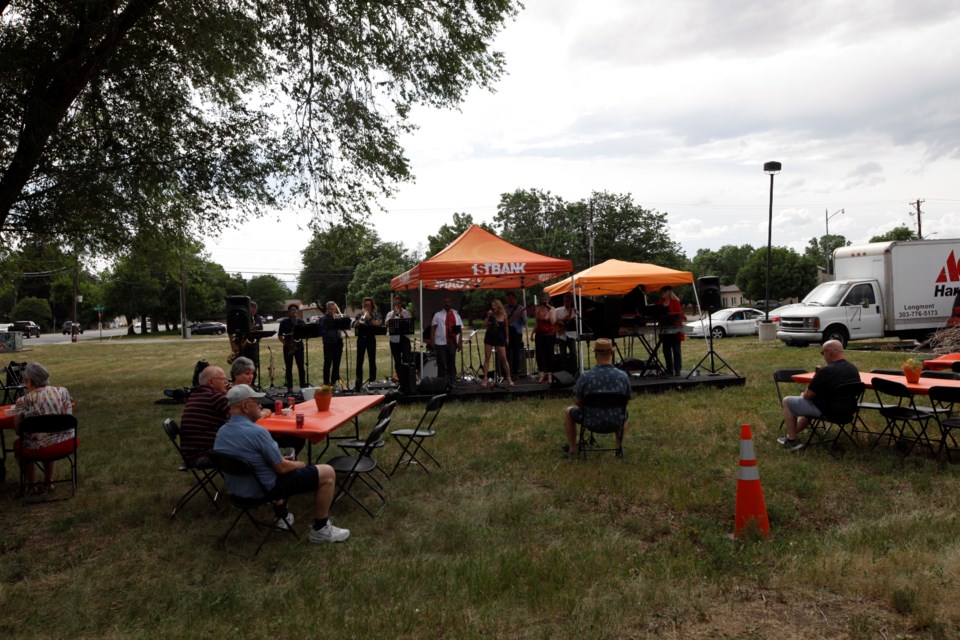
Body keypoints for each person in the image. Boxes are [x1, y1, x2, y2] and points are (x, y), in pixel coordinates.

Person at [213, 385, 349, 543]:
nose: (261, 405)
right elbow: (282, 468)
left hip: (237, 491)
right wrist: (300, 464)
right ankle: (321, 529)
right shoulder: (257, 432)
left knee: (272, 467)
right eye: (257, 402)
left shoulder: (222, 431)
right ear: (245, 406)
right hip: (264, 490)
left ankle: (282, 516)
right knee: (327, 472)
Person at [779, 339, 861, 451]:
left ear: (828, 353)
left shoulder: (825, 371)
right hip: (848, 412)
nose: (823, 356)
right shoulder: (853, 369)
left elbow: (808, 395)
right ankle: (790, 435)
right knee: (807, 402)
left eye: (823, 353)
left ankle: (792, 441)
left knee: (787, 401)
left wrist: (805, 392)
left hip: (828, 412)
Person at [561, 339, 631, 456]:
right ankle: (619, 448)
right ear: (612, 353)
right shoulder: (623, 376)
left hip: (590, 420)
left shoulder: (586, 377)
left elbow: (577, 400)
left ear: (595, 354)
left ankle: (572, 449)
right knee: (624, 412)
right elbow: (626, 401)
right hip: (616, 420)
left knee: (568, 412)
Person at [12, 363, 74, 493]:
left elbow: (18, 430)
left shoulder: (23, 401)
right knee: (48, 436)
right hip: (66, 442)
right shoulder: (63, 392)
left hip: (40, 447)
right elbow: (68, 415)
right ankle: (49, 482)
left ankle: (32, 485)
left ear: (30, 381)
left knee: (21, 443)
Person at [180, 365, 230, 465]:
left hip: (190, 454)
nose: (226, 383)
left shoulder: (195, 395)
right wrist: (263, 412)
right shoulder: (214, 397)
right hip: (205, 454)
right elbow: (242, 417)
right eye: (223, 379)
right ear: (211, 382)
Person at [481, 298, 514, 388]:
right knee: (487, 357)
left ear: (498, 306)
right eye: (492, 305)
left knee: (503, 358)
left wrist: (507, 337)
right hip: (489, 336)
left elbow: (506, 326)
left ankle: (509, 378)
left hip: (499, 336)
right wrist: (488, 316)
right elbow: (484, 325)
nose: (493, 307)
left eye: (495, 305)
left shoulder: (503, 315)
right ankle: (485, 378)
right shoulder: (490, 314)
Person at [352, 296, 381, 390]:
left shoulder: (375, 314)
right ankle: (358, 381)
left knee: (372, 360)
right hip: (361, 339)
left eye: (368, 305)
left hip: (371, 339)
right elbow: (355, 325)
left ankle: (372, 380)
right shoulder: (359, 314)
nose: (367, 307)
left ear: (371, 305)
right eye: (365, 305)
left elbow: (377, 324)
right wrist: (360, 317)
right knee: (359, 361)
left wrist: (369, 318)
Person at [430, 297, 462, 382]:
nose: (446, 304)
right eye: (445, 302)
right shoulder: (438, 315)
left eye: (448, 302)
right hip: (440, 343)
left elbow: (460, 330)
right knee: (442, 363)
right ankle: (441, 382)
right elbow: (433, 328)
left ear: (451, 303)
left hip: (452, 342)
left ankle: (452, 381)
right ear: (443, 304)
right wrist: (432, 341)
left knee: (451, 363)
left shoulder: (456, 315)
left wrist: (460, 342)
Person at [658, 286, 685, 377]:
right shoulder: (660, 303)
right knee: (666, 350)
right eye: (662, 291)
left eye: (664, 291)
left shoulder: (675, 302)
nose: (662, 293)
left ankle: (677, 370)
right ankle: (669, 369)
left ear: (669, 292)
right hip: (664, 331)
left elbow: (680, 316)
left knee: (676, 350)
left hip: (675, 331)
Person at [278, 303, 306, 390]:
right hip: (288, 346)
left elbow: (304, 334)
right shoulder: (284, 322)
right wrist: (286, 344)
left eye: (295, 310)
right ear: (288, 312)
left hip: (299, 345)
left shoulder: (301, 321)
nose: (294, 311)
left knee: (301, 367)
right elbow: (280, 335)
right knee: (288, 367)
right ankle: (289, 387)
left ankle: (303, 386)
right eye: (292, 310)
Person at [385, 298, 413, 379]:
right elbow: (387, 324)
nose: (397, 305)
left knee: (406, 359)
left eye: (398, 303)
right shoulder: (390, 313)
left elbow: (410, 324)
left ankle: (407, 378)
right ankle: (400, 378)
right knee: (397, 360)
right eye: (395, 303)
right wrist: (394, 314)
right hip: (394, 340)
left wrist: (401, 315)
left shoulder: (407, 313)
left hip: (405, 339)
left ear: (401, 304)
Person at [532, 298, 557, 384]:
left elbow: (553, 322)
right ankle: (541, 373)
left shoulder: (552, 309)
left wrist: (549, 310)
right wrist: (532, 333)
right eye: (543, 298)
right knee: (539, 353)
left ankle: (550, 374)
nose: (544, 300)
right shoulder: (538, 308)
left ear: (549, 299)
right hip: (539, 334)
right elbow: (537, 323)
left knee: (549, 354)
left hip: (549, 334)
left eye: (546, 298)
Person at [322, 301, 345, 386]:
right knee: (327, 363)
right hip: (328, 342)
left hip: (338, 342)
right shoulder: (324, 318)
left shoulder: (338, 317)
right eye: (331, 309)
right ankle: (326, 382)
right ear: (327, 309)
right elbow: (322, 330)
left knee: (336, 363)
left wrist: (342, 322)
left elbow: (344, 329)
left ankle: (333, 382)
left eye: (334, 309)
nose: (333, 311)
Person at [554, 293, 578, 372]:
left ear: (571, 302)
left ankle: (574, 371)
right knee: (562, 355)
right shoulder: (558, 310)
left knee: (573, 354)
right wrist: (562, 321)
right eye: (564, 301)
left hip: (571, 335)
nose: (566, 302)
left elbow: (577, 324)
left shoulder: (575, 311)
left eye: (567, 301)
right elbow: (553, 320)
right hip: (561, 335)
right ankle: (565, 372)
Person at [504, 291, 527, 377]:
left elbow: (524, 322)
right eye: (508, 299)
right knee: (507, 352)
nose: (509, 301)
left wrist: (520, 317)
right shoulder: (504, 307)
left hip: (516, 333)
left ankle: (516, 372)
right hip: (506, 333)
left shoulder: (521, 308)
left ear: (515, 299)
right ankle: (507, 371)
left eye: (510, 299)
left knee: (516, 353)